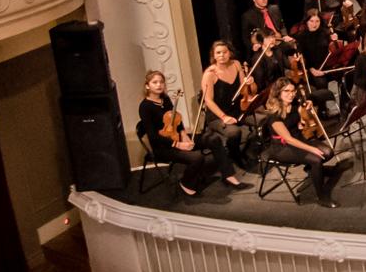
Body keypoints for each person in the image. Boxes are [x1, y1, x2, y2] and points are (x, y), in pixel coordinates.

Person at [138, 71, 249, 195]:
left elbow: (176, 121)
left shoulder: (165, 99)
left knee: (213, 139)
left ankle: (228, 175)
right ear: (147, 86)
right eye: (155, 82)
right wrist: (178, 145)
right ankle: (185, 183)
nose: (159, 85)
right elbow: (153, 137)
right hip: (162, 147)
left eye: (161, 82)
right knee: (197, 157)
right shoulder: (145, 107)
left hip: (178, 137)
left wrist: (184, 135)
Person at [263, 77, 343, 208]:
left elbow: (302, 111)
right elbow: (288, 139)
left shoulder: (294, 104)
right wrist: (311, 149)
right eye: (286, 91)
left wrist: (301, 121)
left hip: (298, 139)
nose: (291, 94)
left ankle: (312, 169)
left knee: (328, 152)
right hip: (282, 148)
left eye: (293, 91)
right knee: (316, 158)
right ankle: (321, 196)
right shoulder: (274, 116)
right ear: (278, 93)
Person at [200, 40, 254, 169]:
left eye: (225, 52)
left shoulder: (236, 64)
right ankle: (235, 154)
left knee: (265, 118)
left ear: (230, 53)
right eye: (218, 53)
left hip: (236, 109)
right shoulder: (209, 74)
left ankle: (247, 151)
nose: (222, 55)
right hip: (217, 115)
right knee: (234, 132)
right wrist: (224, 117)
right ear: (213, 55)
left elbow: (243, 89)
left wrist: (249, 82)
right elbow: (208, 101)